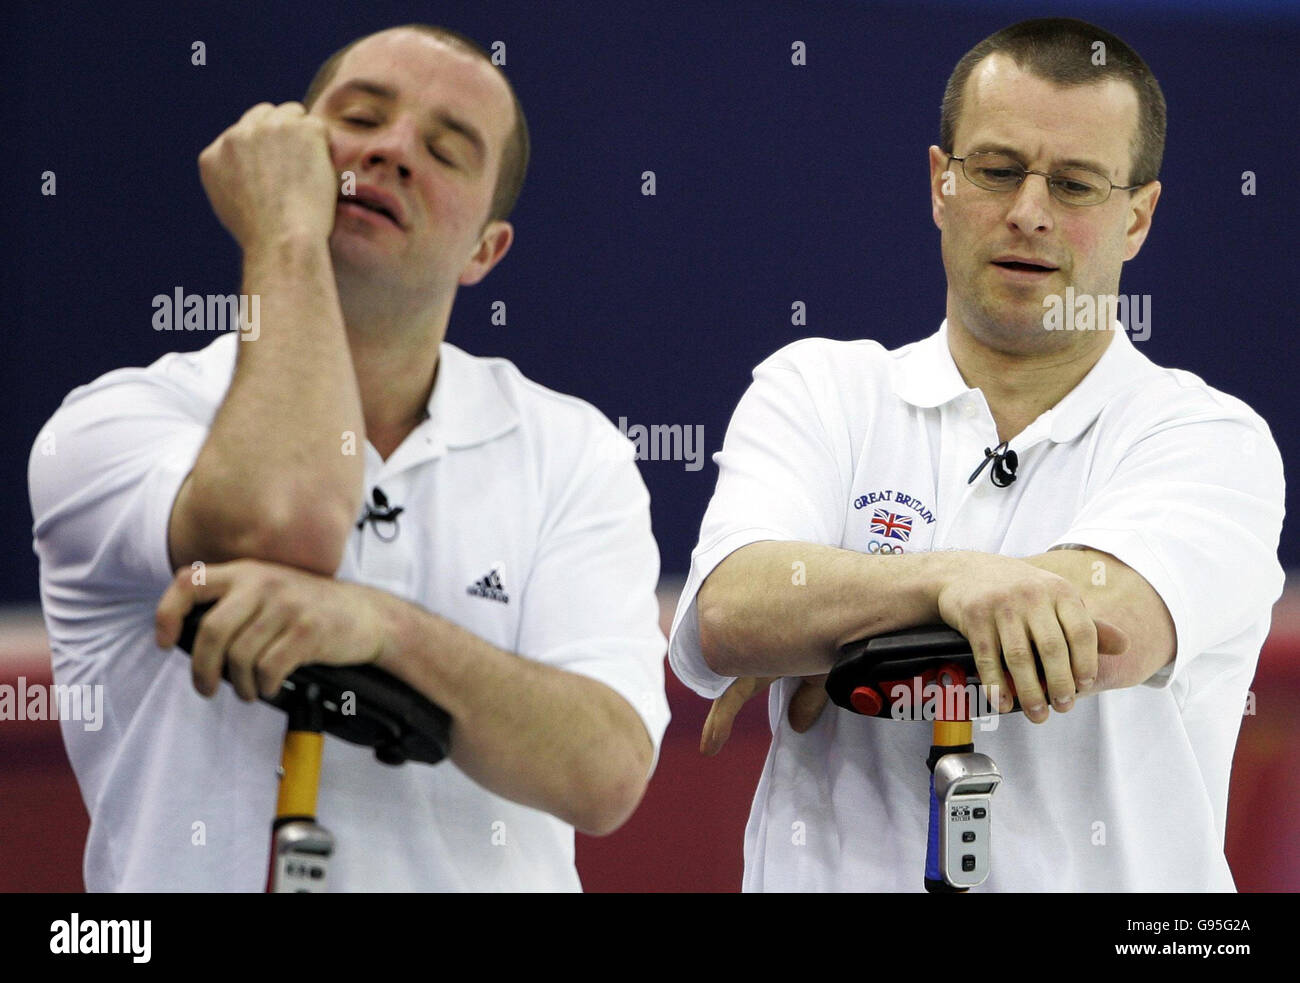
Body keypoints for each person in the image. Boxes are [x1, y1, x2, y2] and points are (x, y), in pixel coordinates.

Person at [29, 24, 669, 892]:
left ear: (486, 250)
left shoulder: (572, 450)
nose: (393, 149)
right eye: (360, 118)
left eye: (446, 151)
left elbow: (604, 772)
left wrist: (384, 628)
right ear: (285, 150)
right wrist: (283, 236)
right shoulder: (117, 422)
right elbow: (284, 519)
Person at [668, 17, 1284, 892]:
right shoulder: (820, 388)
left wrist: (838, 637)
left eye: (1074, 185)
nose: (1029, 212)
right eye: (997, 171)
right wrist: (947, 581)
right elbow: (730, 610)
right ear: (940, 184)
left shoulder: (1209, 438)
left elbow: (1097, 636)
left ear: (1138, 217)